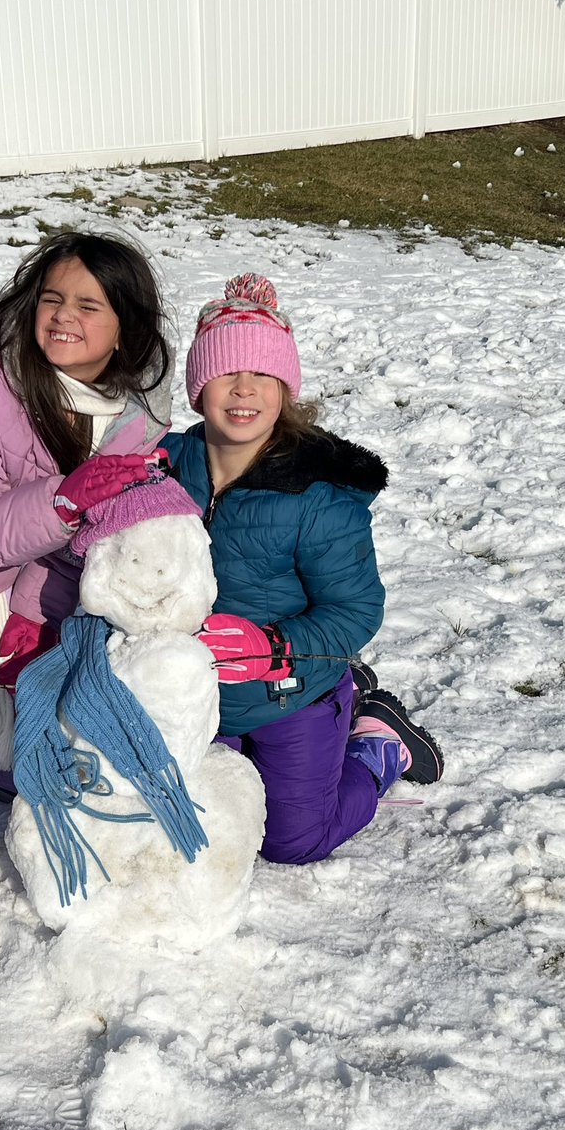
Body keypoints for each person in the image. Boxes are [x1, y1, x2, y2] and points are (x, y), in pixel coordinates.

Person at [0, 231, 173, 858]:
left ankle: (5, 763)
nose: (65, 316)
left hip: (35, 568)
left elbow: (92, 542)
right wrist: (65, 499)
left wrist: (32, 604)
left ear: (125, 326)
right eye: (52, 299)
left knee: (33, 686)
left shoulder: (139, 416)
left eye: (89, 306)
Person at [161, 273, 444, 866]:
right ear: (197, 385)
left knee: (291, 842)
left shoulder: (316, 495)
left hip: (293, 691)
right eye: (226, 373)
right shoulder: (164, 465)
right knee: (198, 825)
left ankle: (375, 742)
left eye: (263, 374)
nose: (244, 390)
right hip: (195, 693)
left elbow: (356, 609)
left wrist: (276, 647)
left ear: (285, 388)